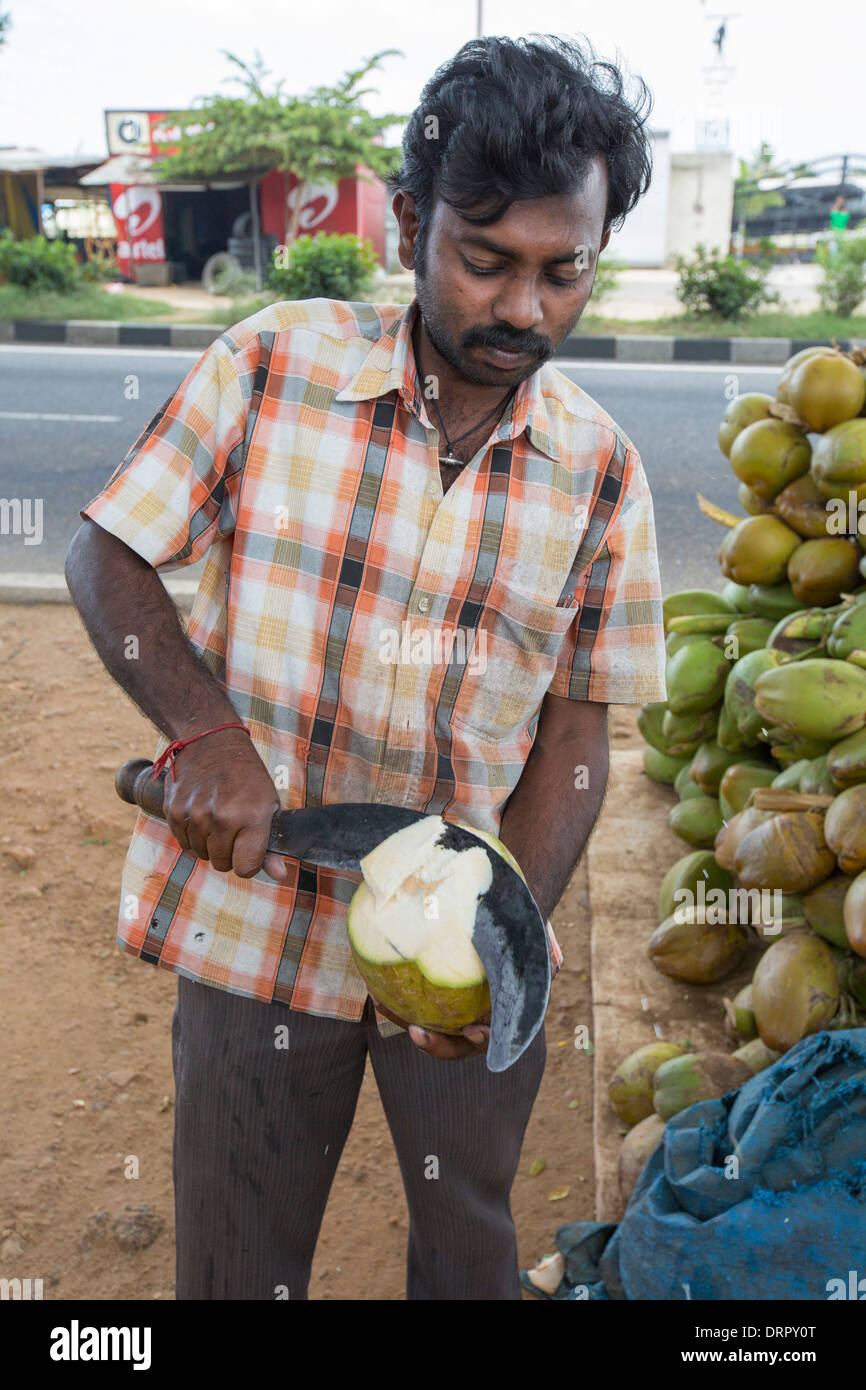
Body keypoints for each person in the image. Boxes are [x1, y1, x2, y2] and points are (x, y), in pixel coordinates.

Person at [65, 33, 667, 1302]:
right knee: (238, 1262)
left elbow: (575, 741)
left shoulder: (601, 471)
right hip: (254, 926)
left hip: (468, 963)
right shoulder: (271, 366)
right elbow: (105, 558)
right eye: (485, 260)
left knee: (469, 1251)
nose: (523, 309)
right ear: (408, 224)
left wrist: (504, 930)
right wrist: (204, 735)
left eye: (566, 274)